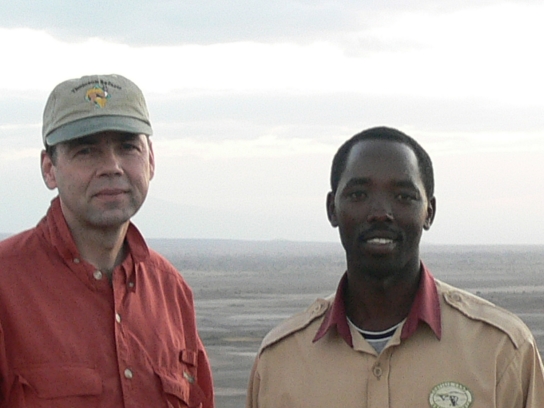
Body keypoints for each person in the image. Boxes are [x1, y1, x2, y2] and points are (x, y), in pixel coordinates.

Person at [246, 126, 544, 407]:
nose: (380, 213)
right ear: (332, 209)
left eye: (403, 196)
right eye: (358, 194)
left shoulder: (501, 351)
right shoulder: (279, 361)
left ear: (429, 212)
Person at [0, 74, 214, 407]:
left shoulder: (171, 292)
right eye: (86, 151)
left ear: (151, 159)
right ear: (49, 168)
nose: (111, 166)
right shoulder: (6, 286)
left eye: (128, 147)